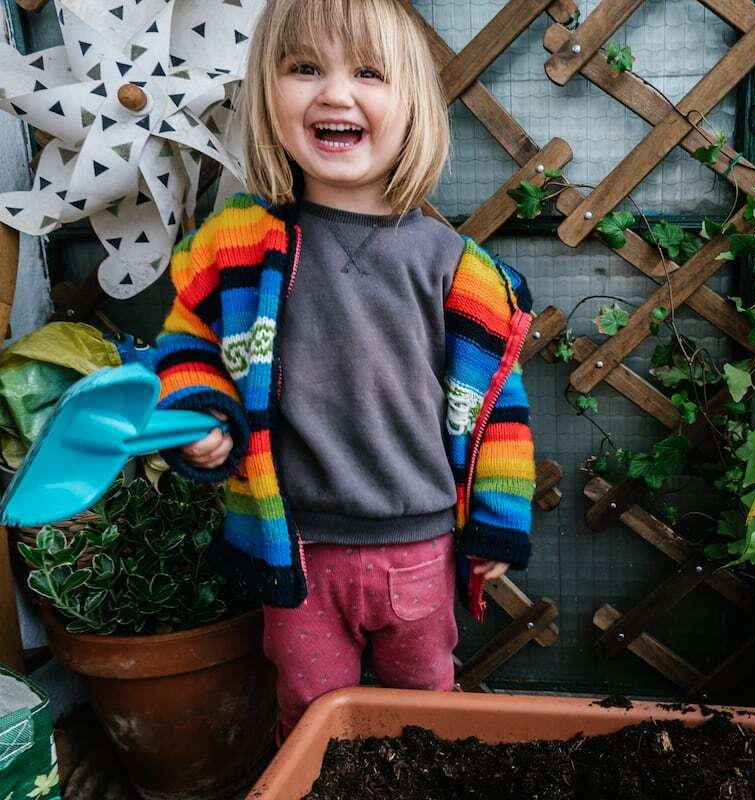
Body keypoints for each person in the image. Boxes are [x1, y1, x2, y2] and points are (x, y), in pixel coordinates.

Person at [152, 0, 535, 738]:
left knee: (424, 716)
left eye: (367, 72)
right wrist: (204, 418)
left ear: (413, 105)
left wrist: (497, 524)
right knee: (308, 716)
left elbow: (499, 407)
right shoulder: (236, 247)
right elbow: (187, 349)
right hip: (295, 547)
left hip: (420, 551)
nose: (334, 93)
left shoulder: (454, 265)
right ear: (268, 93)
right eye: (304, 68)